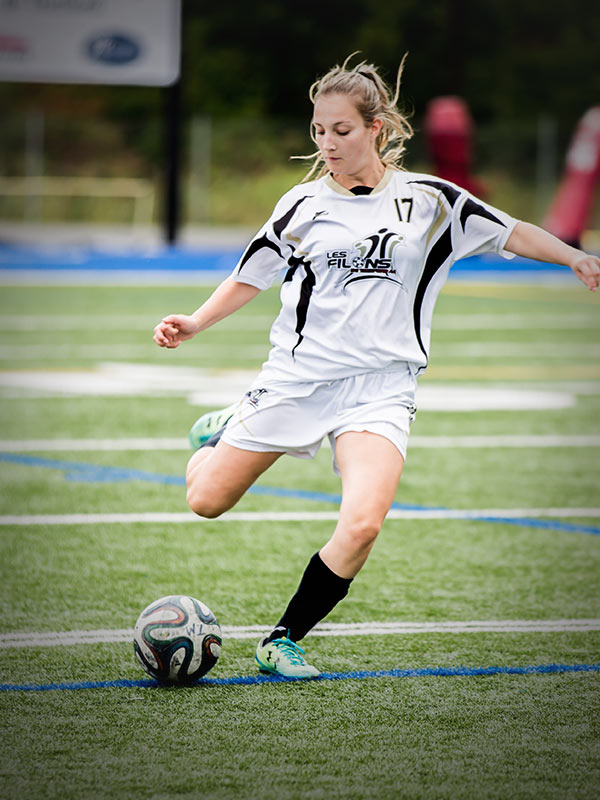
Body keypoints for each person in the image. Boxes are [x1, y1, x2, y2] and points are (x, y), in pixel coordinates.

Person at [153, 54, 600, 679]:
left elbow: (514, 232)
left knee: (363, 523)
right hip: (297, 380)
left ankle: (281, 640)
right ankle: (227, 428)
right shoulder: (302, 204)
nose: (327, 143)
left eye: (341, 130)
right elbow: (249, 275)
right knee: (205, 501)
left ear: (377, 129)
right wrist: (196, 321)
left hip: (382, 389)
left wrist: (573, 257)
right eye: (318, 131)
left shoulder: (430, 201)